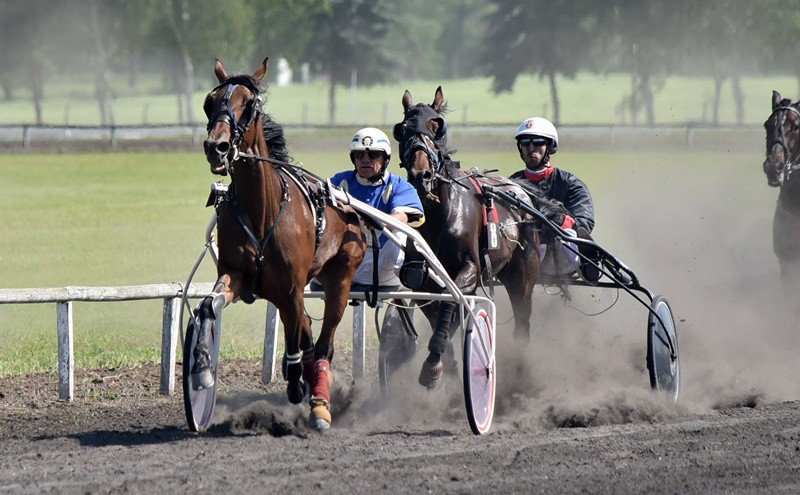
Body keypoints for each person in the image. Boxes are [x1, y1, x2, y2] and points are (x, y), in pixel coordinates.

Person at [508, 117, 599, 282]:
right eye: (525, 142)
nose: (530, 148)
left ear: (550, 147)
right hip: (523, 256)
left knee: (568, 232)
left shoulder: (570, 184)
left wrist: (559, 221)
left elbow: (584, 223)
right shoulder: (511, 184)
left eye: (537, 142)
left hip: (562, 256)